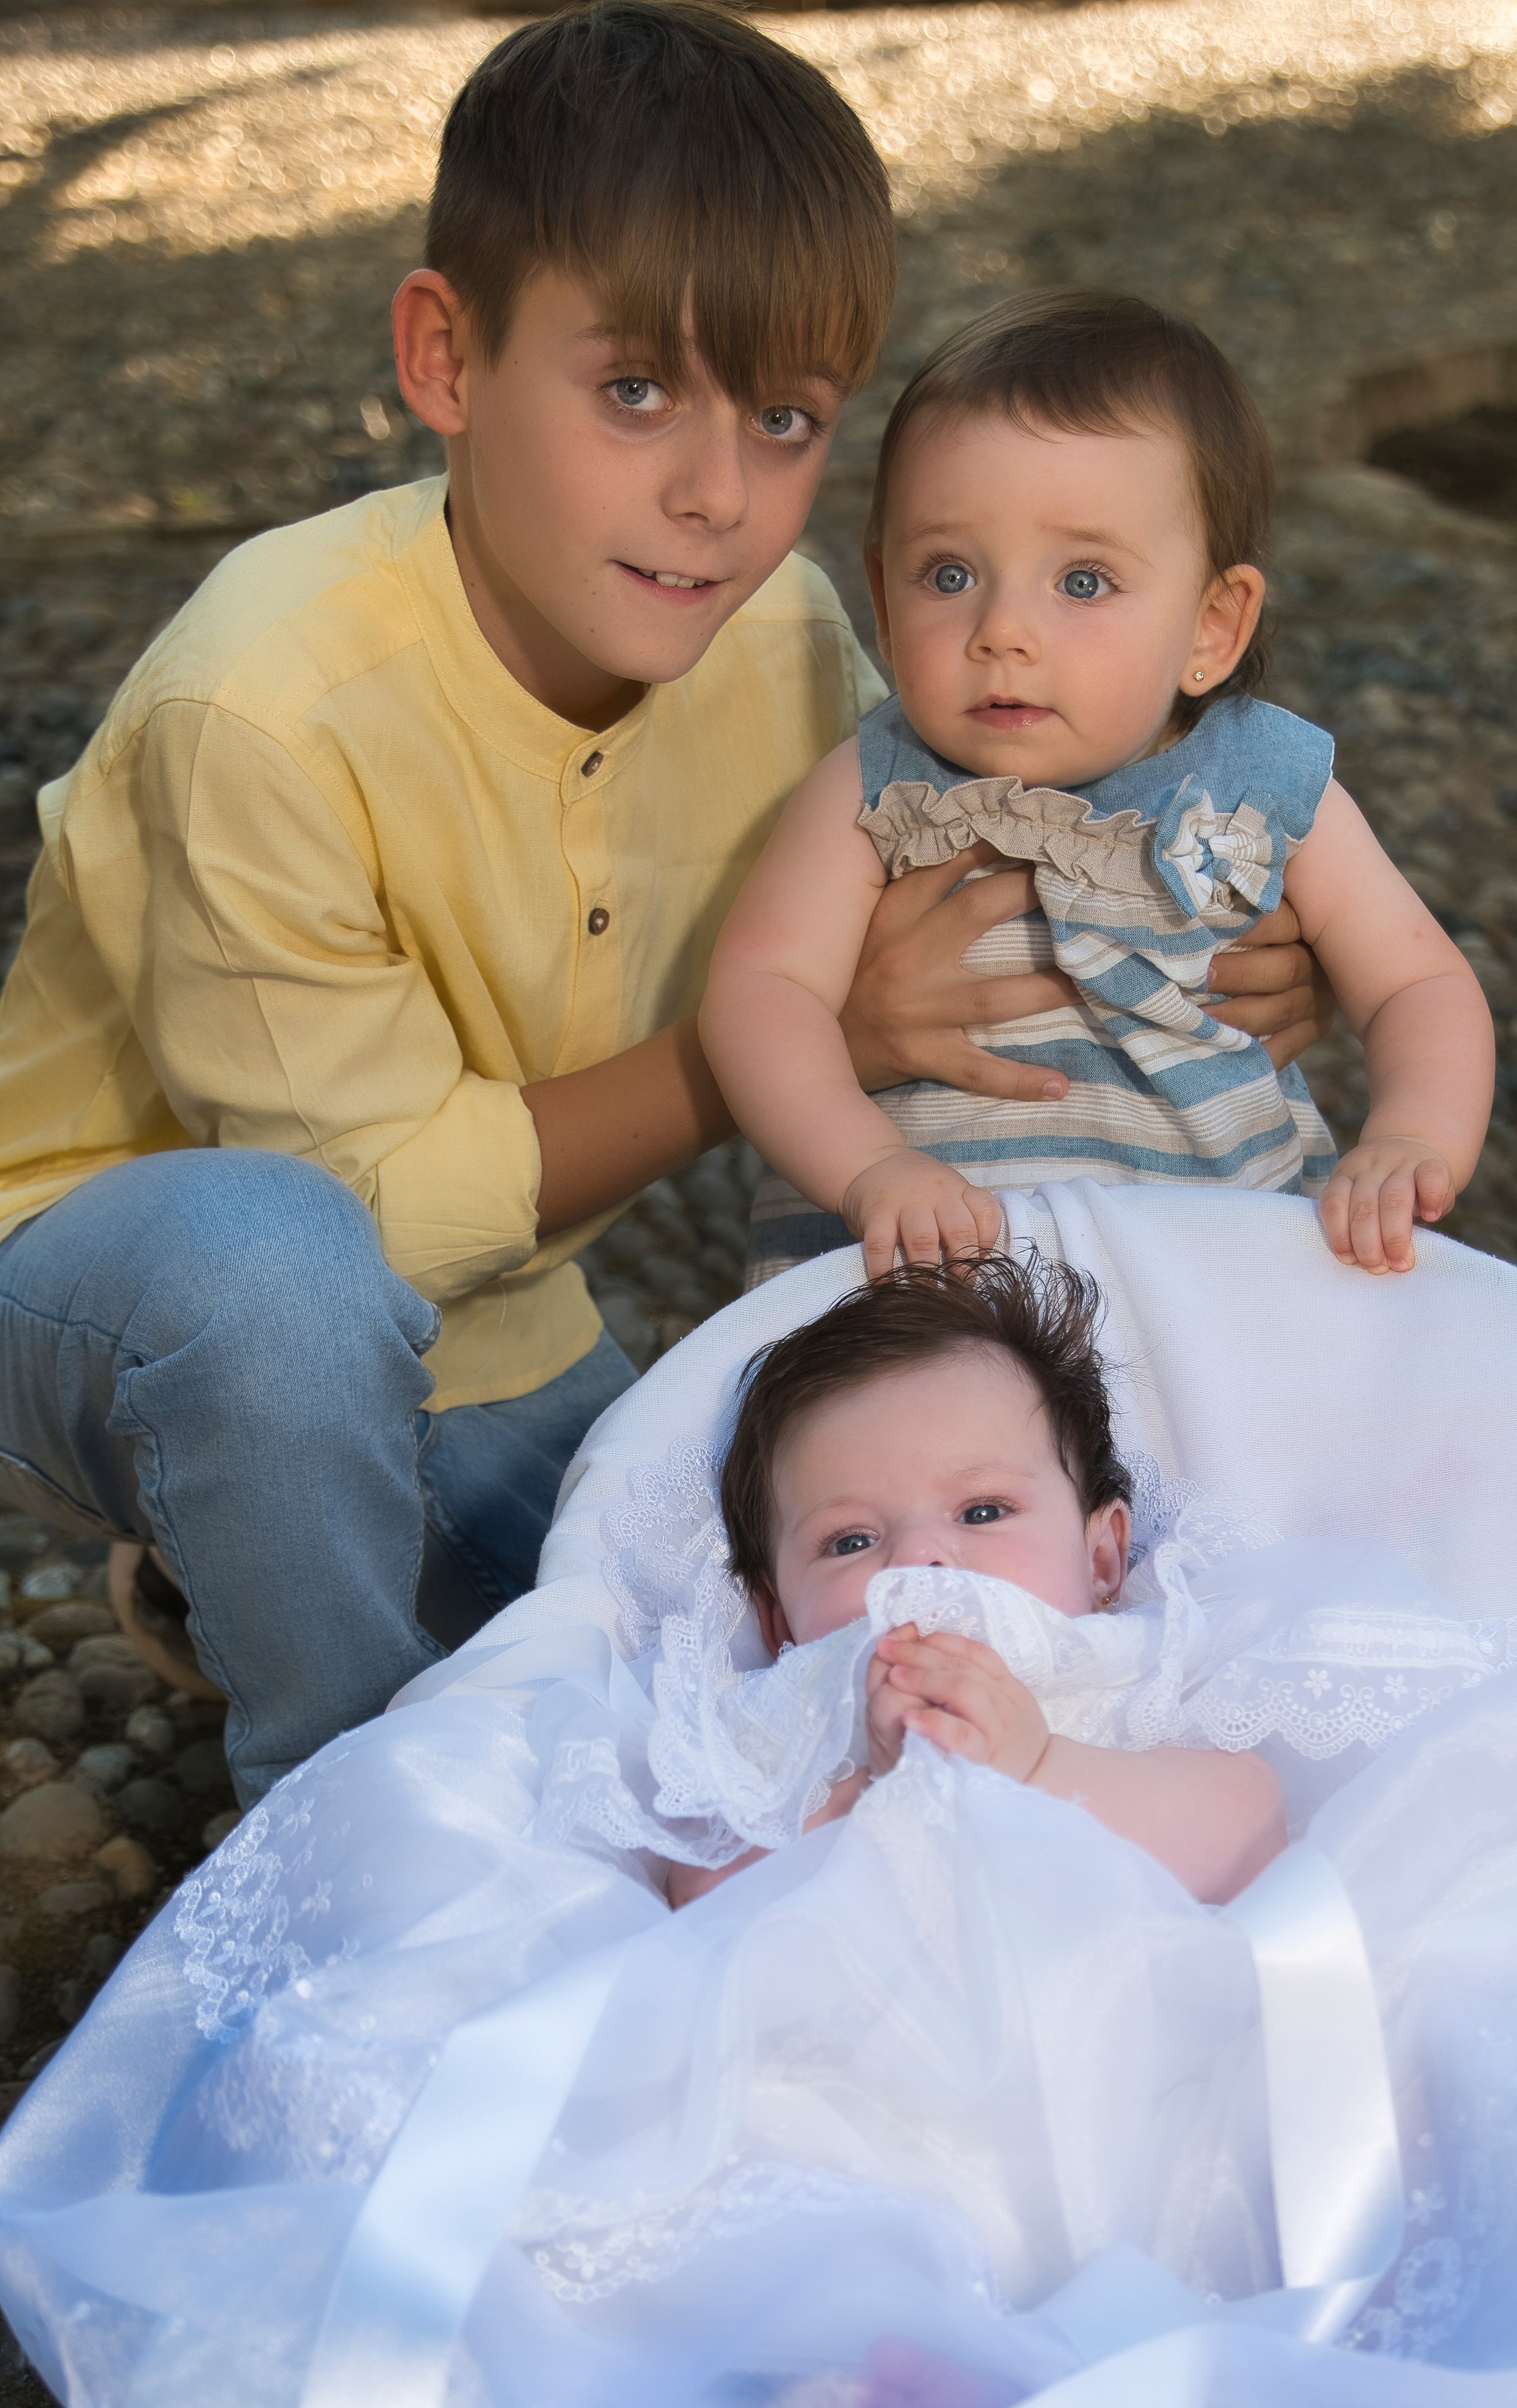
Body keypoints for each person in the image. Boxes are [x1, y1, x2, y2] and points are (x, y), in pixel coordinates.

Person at [701, 291, 1495, 1284]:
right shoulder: (877, 788)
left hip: (1216, 1275)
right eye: (948, 574)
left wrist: (1414, 1136)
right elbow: (761, 991)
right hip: (928, 1279)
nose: (1001, 629)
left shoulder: (1263, 783)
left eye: (1082, 581)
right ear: (883, 602)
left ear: (1213, 626)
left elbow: (1418, 981)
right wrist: (868, 1165)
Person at [664, 1253, 1286, 1910]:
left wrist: (1039, 1766)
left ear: (1100, 1560)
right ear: (780, 1622)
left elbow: (1248, 1831)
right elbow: (699, 1897)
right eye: (851, 1541)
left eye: (982, 1511)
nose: (919, 1561)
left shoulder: (1139, 1680)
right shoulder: (789, 1730)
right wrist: (871, 1791)